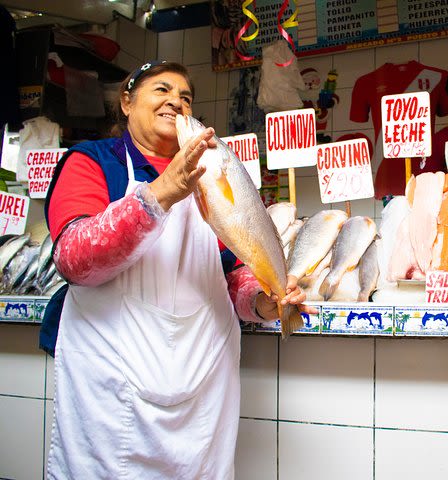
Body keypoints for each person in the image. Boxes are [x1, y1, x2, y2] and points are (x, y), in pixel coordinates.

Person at [44, 60, 312, 478]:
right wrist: (161, 193)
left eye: (186, 98)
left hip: (204, 390)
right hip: (112, 393)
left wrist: (264, 301)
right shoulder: (94, 162)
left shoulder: (211, 179)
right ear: (126, 101)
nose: (176, 102)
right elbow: (75, 259)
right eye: (162, 90)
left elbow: (231, 275)